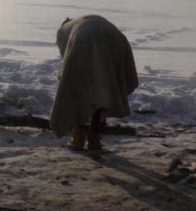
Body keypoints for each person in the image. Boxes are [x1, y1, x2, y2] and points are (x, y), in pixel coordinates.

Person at [50, 14, 138, 151]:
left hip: (86, 40)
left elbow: (66, 57)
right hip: (115, 39)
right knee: (104, 92)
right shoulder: (79, 23)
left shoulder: (64, 31)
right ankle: (94, 138)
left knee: (77, 91)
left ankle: (77, 138)